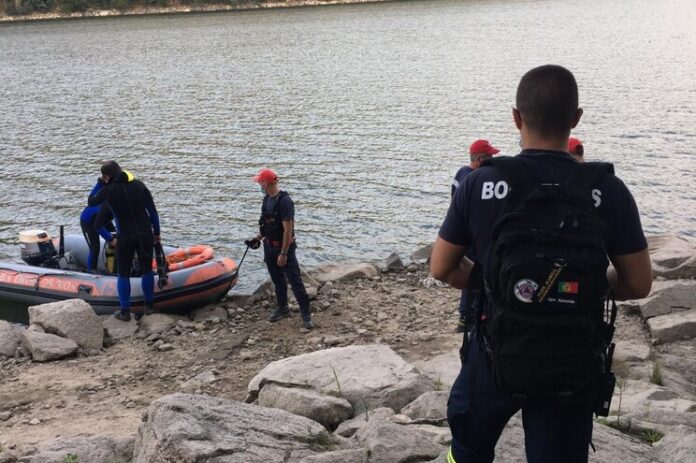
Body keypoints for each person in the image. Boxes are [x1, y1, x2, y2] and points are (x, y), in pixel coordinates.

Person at [431, 65, 652, 463]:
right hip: (571, 358)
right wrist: (588, 287)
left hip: (495, 347)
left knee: (467, 450)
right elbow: (637, 283)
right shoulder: (608, 189)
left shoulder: (479, 184)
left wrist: (495, 283)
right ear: (576, 118)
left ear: (516, 117)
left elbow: (442, 268)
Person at [91, 161, 161, 322]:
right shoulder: (139, 185)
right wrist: (156, 232)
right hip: (145, 234)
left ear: (107, 177)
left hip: (125, 237)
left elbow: (91, 201)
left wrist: (99, 184)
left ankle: (124, 312)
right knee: (146, 270)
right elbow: (153, 212)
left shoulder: (108, 191)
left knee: (123, 274)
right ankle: (149, 307)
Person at [247, 168, 315, 330]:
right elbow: (267, 225)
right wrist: (257, 239)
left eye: (260, 182)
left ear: (266, 183)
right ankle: (282, 308)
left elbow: (288, 230)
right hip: (269, 246)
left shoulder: (285, 201)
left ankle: (306, 315)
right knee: (277, 280)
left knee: (295, 281)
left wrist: (284, 253)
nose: (259, 185)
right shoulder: (267, 200)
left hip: (284, 249)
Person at [451, 139, 499, 333]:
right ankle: (471, 316)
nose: (493, 161)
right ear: (479, 159)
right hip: (473, 236)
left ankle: (466, 316)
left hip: (462, 232)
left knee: (471, 275)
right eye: (490, 158)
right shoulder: (475, 180)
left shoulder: (461, 174)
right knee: (478, 274)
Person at [80, 178, 116, 273]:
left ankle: (113, 266)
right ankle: (91, 270)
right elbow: (98, 227)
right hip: (88, 222)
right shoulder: (107, 207)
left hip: (103, 218)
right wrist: (110, 239)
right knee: (95, 247)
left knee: (116, 234)